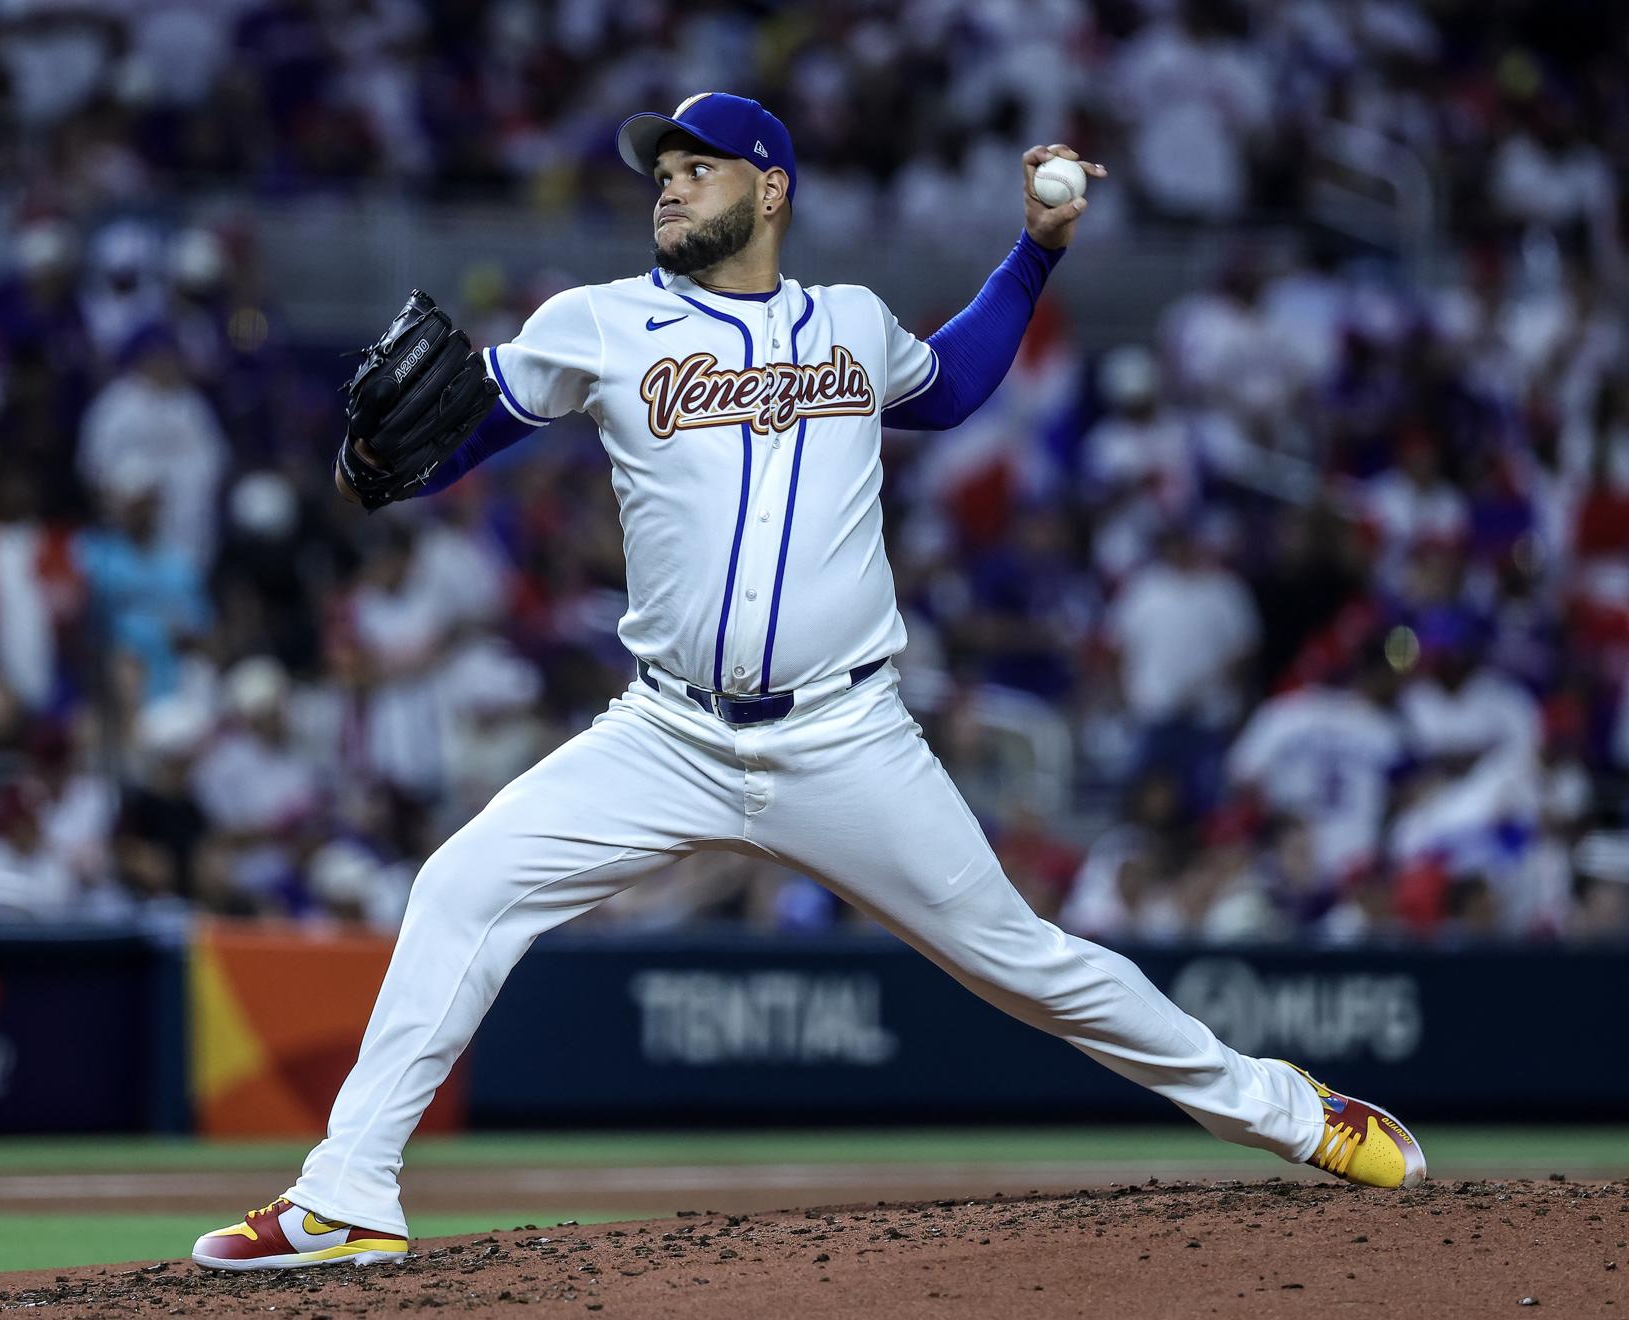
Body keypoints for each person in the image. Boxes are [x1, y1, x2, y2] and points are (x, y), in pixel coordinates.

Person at [192, 92, 1424, 1273]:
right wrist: (368, 462)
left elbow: (952, 385)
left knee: (1027, 963)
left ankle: (1291, 1112)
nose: (670, 187)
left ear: (770, 190)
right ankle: (346, 1195)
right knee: (463, 887)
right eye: (662, 172)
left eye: (699, 168)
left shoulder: (852, 322)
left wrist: (1035, 256)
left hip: (846, 738)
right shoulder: (598, 323)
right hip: (666, 735)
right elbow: (454, 436)